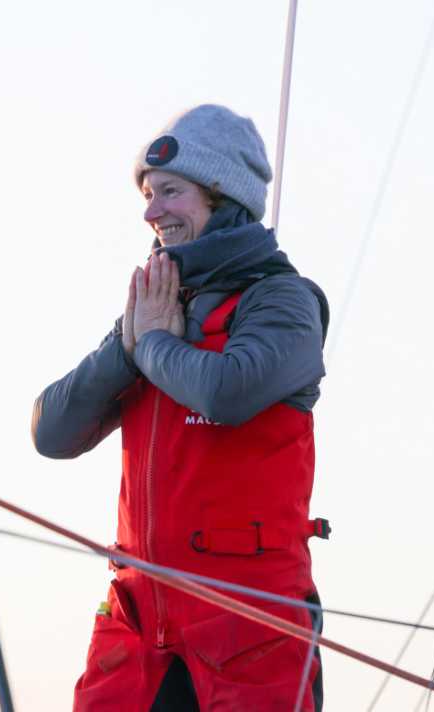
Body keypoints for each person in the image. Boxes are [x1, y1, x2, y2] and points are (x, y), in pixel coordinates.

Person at [32, 104, 330, 711]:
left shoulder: (285, 301)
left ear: (222, 195)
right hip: (135, 632)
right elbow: (52, 431)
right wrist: (127, 346)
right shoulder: (152, 307)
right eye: (147, 194)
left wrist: (154, 345)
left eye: (170, 191)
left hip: (249, 633)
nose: (151, 211)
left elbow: (228, 392)